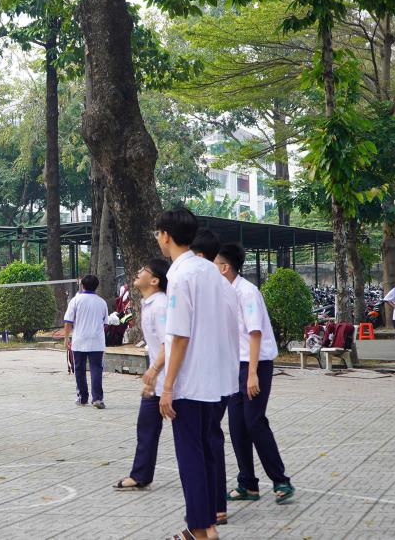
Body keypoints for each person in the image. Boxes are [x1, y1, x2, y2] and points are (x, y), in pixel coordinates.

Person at [155, 207, 240, 540]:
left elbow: (179, 336)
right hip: (216, 380)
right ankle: (206, 525)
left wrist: (167, 386)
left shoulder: (179, 274)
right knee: (205, 453)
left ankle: (199, 529)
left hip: (191, 382)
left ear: (165, 234)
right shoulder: (210, 271)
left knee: (190, 457)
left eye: (157, 233)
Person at [216, 242, 294, 509]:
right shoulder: (223, 293)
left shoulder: (247, 293)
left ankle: (281, 480)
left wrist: (251, 375)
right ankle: (247, 483)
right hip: (233, 366)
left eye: (215, 265)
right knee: (237, 426)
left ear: (225, 267)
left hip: (255, 366)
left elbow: (255, 333)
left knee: (254, 421)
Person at [114, 258, 170, 490]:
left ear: (155, 280)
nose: (138, 272)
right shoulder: (149, 304)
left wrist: (154, 371)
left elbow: (171, 342)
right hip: (157, 382)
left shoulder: (161, 305)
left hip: (173, 382)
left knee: (192, 436)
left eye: (144, 270)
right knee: (146, 426)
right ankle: (140, 475)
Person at [189, 227, 232, 526]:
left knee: (208, 440)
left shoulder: (207, 284)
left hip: (210, 375)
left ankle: (215, 507)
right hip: (218, 372)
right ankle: (215, 505)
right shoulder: (221, 286)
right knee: (210, 438)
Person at [64, 274, 110, 409]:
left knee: (79, 369)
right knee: (96, 369)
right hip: (97, 341)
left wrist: (66, 338)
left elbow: (68, 322)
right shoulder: (101, 302)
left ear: (82, 285)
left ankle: (82, 397)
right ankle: (97, 398)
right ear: (97, 286)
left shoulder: (75, 300)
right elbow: (105, 323)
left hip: (79, 340)